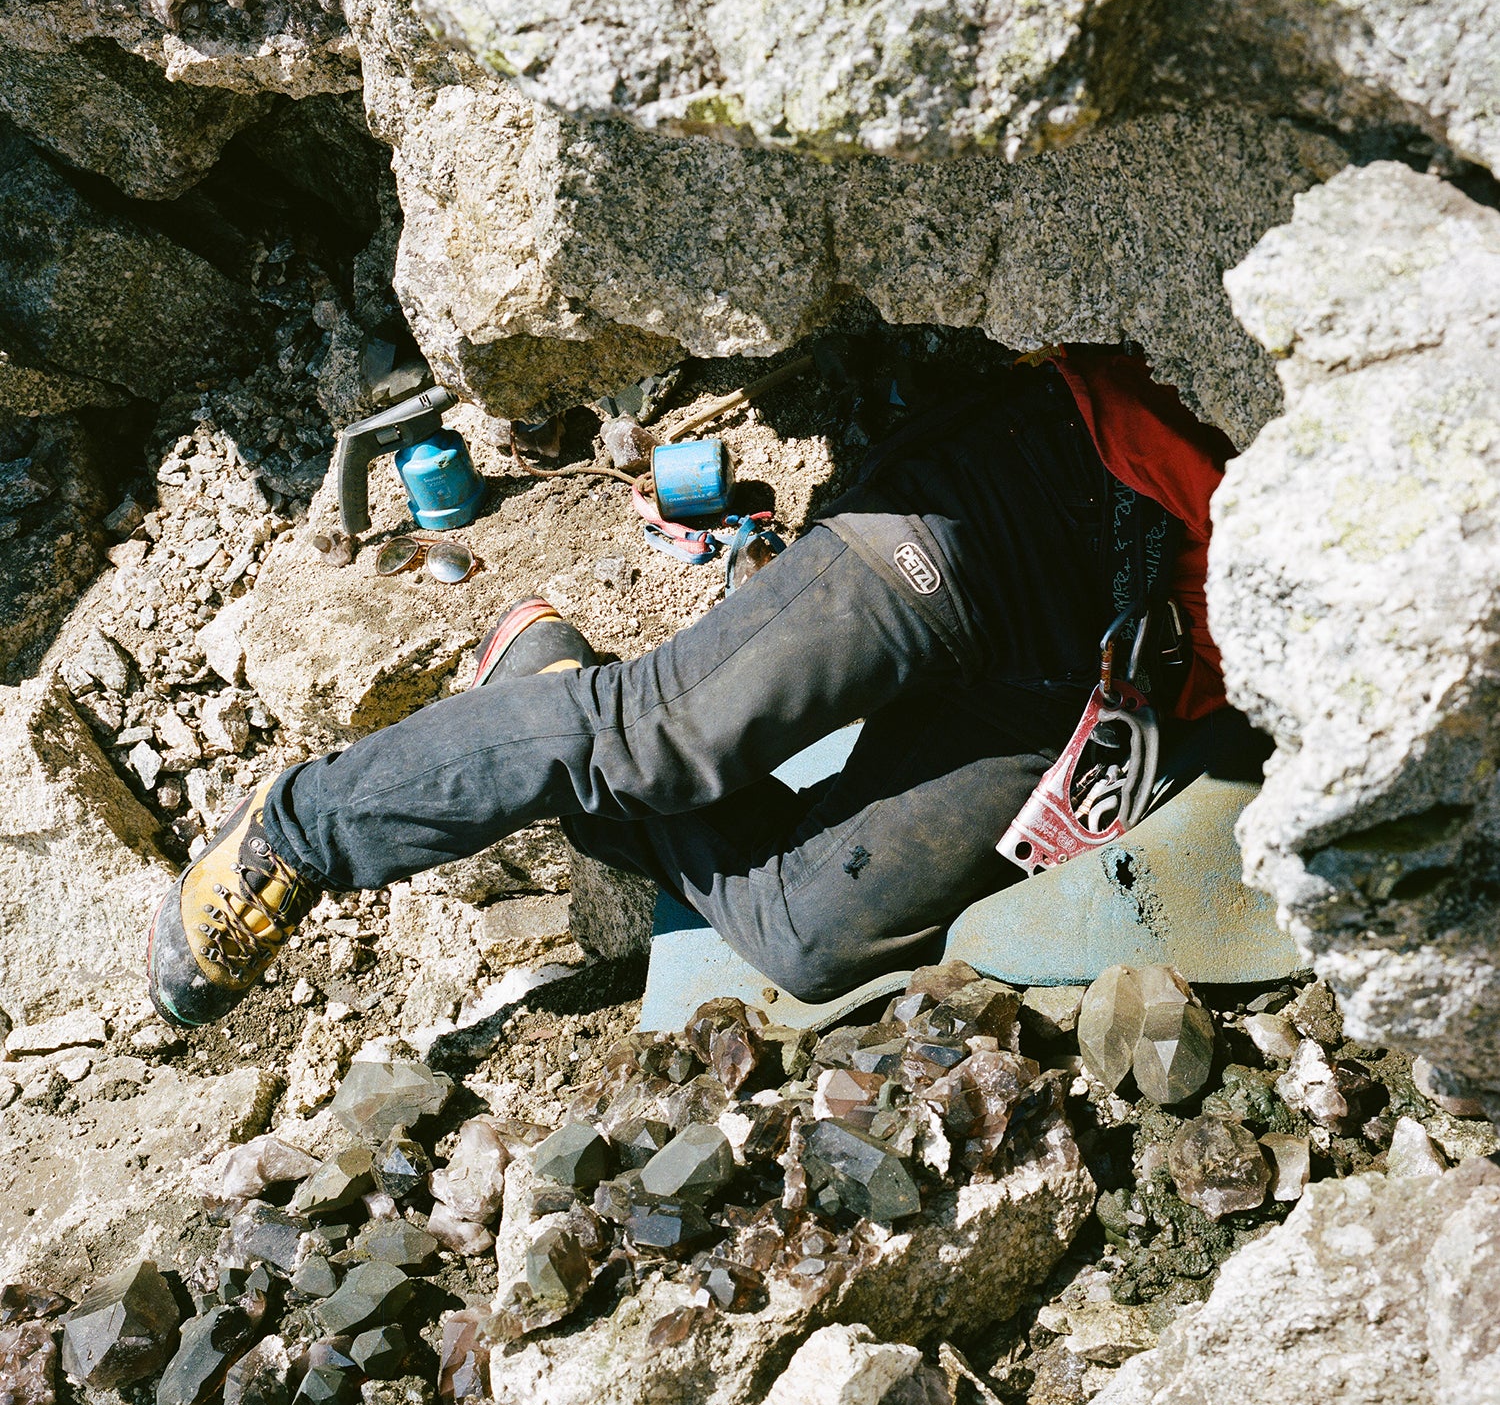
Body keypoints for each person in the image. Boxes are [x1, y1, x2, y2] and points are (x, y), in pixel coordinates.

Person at [146, 348, 1236, 1029]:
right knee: (663, 739)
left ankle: (548, 694)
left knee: (815, 943)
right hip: (1029, 499)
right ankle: (299, 829)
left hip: (1099, 679)